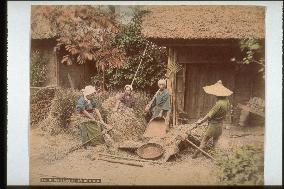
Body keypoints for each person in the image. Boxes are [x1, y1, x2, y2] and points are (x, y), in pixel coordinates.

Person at [192, 80, 232, 159]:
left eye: (216, 93)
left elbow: (209, 115)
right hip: (220, 125)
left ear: (219, 94)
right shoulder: (227, 102)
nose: (215, 95)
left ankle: (195, 155)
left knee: (204, 141)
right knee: (215, 141)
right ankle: (213, 154)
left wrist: (200, 121)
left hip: (213, 125)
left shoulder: (219, 104)